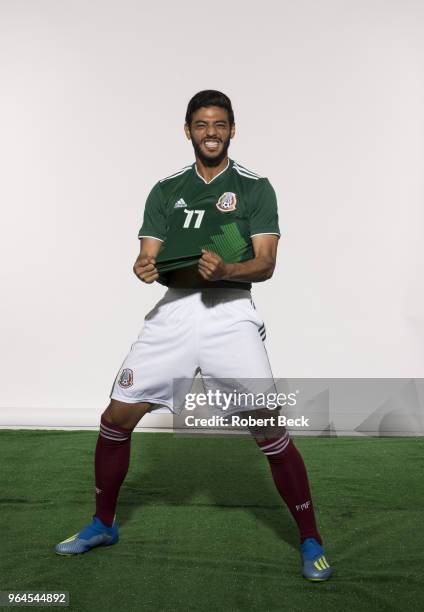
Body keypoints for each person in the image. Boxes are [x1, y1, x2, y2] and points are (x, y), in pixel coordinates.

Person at [55, 90, 332, 581]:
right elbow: (151, 254)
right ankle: (103, 523)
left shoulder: (255, 187)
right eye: (202, 124)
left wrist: (229, 266)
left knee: (267, 426)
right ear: (188, 130)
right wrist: (143, 266)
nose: (211, 132)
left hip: (230, 311)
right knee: (116, 416)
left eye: (220, 124)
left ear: (232, 129)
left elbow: (266, 263)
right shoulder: (166, 189)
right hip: (175, 314)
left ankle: (311, 539)